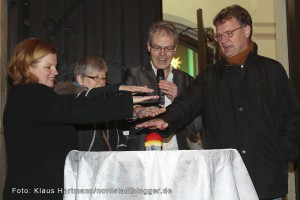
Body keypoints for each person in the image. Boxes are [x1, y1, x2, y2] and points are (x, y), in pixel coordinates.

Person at [136, 5, 300, 200]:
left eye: (228, 33)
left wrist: (284, 153)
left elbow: (292, 116)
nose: (223, 40)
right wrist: (166, 120)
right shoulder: (209, 76)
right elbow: (186, 104)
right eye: (219, 36)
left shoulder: (273, 71)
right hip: (225, 181)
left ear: (246, 30)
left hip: (266, 180)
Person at [3, 38, 165, 200]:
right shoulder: (29, 94)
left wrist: (128, 105)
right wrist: (121, 98)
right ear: (27, 67)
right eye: (48, 67)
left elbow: (76, 105)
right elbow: (76, 106)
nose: (56, 72)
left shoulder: (37, 96)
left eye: (55, 66)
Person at [123, 20, 202, 150]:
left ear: (175, 49)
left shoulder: (186, 80)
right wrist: (138, 110)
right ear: (149, 46)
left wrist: (180, 98)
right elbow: (123, 113)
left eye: (168, 48)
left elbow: (196, 127)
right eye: (157, 47)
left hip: (178, 156)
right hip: (144, 155)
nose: (162, 53)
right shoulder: (135, 74)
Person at [55, 56, 128, 151]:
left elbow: (119, 139)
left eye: (104, 78)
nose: (102, 82)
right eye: (96, 78)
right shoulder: (69, 102)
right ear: (79, 79)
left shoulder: (106, 101)